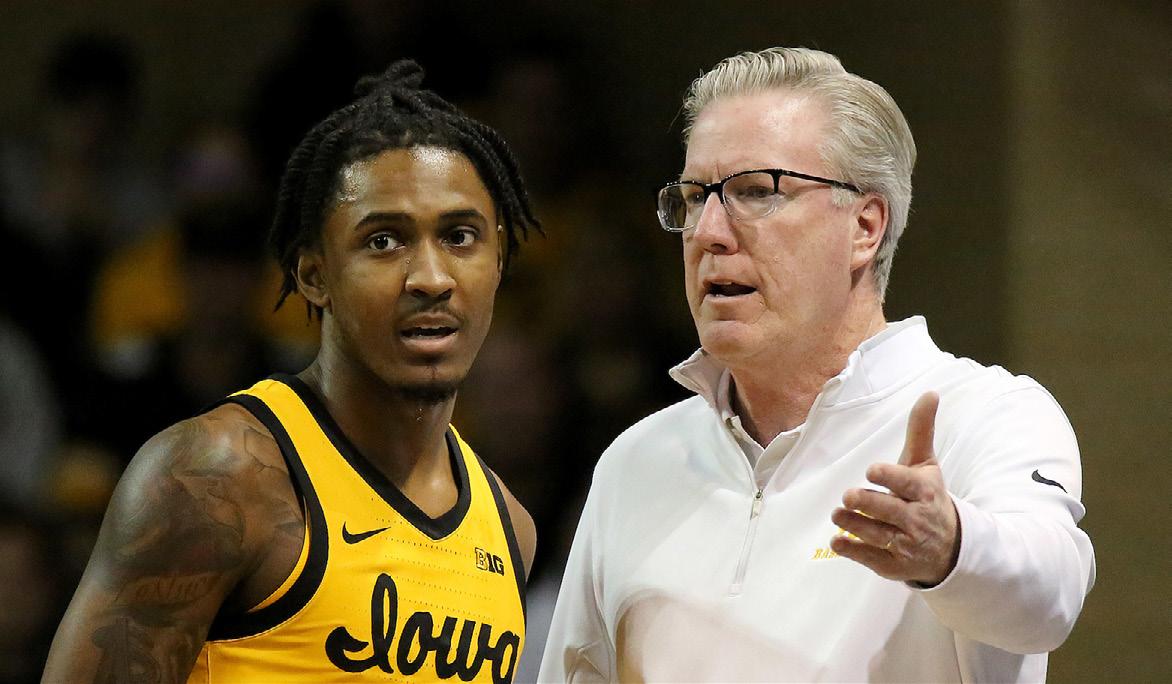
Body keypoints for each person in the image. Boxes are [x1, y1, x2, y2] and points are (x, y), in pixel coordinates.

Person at [539, 47, 1095, 683]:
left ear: (865, 226)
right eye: (694, 198)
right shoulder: (636, 462)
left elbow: (1050, 599)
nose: (708, 232)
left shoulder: (984, 415)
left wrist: (951, 546)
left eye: (755, 192)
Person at [44, 60, 539, 683]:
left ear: (500, 263)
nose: (432, 278)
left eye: (461, 236)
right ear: (313, 275)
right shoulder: (215, 479)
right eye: (384, 241)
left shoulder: (509, 529)